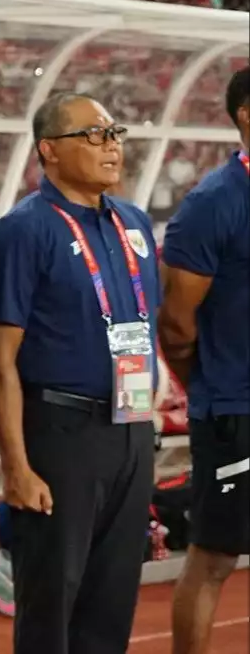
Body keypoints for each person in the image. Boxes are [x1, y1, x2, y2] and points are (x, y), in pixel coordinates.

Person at [0, 92, 160, 654]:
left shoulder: (133, 223)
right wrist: (16, 466)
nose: (111, 146)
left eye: (115, 133)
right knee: (52, 601)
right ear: (49, 150)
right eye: (94, 134)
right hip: (61, 434)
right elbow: (0, 360)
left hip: (131, 428)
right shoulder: (21, 232)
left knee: (113, 597)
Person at [164, 67, 248, 654]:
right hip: (234, 409)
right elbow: (175, 324)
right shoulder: (213, 202)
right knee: (215, 557)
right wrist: (211, 384)